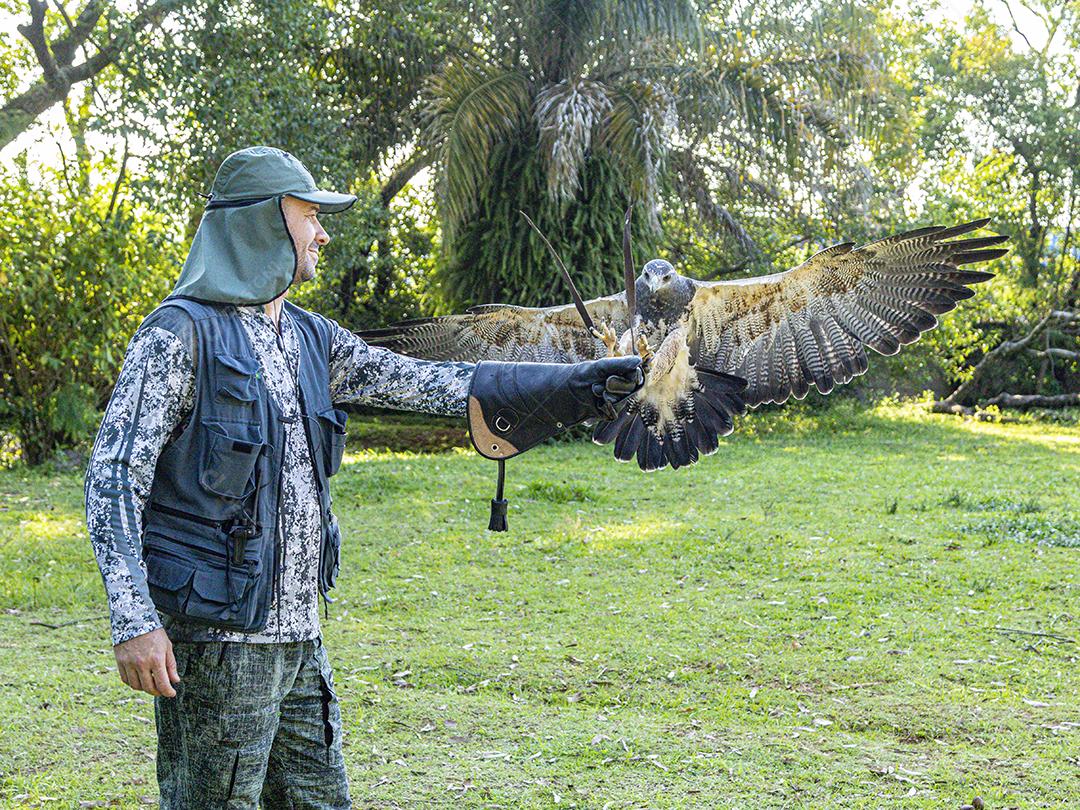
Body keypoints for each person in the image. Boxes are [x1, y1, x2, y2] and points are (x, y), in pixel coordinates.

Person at [84, 145, 642, 807]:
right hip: (216, 648)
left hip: (302, 645)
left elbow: (432, 384)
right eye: (309, 216)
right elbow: (113, 479)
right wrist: (133, 620)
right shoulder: (178, 337)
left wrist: (574, 386)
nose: (322, 233)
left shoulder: (314, 338)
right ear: (262, 223)